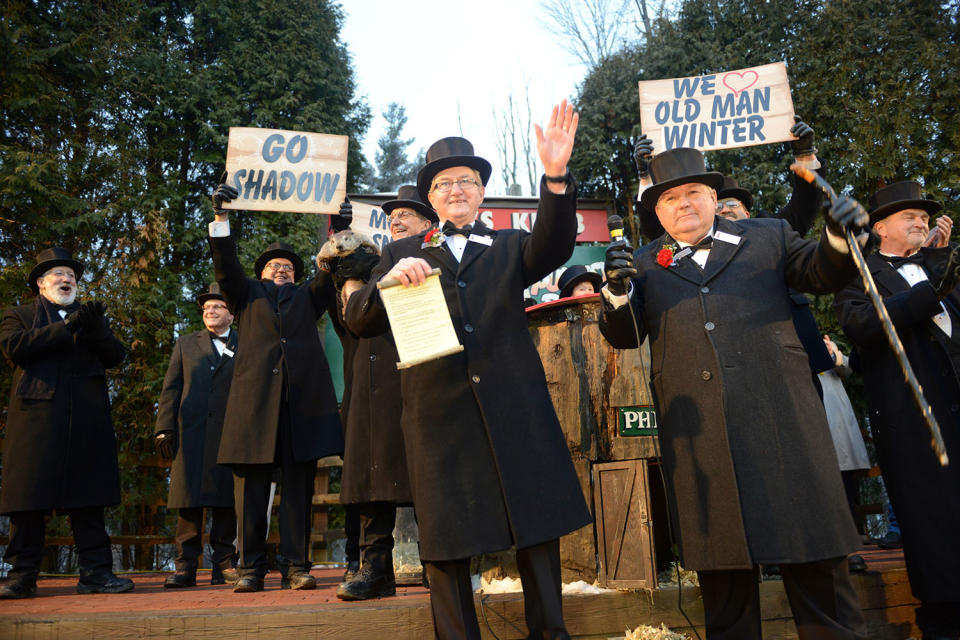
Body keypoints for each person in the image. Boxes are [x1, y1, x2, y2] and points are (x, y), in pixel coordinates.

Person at [344, 101, 592, 640]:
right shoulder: (404, 252)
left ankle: (550, 631)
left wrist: (555, 176)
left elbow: (555, 243)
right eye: (443, 184)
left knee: (535, 523)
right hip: (438, 417)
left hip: (513, 406)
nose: (456, 190)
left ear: (481, 193)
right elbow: (359, 321)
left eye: (467, 181)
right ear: (429, 199)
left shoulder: (509, 246)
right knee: (446, 536)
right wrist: (386, 282)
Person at [600, 148, 869, 640]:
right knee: (725, 597)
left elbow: (820, 272)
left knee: (819, 578)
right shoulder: (643, 264)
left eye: (694, 193)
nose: (684, 204)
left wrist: (837, 234)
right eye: (671, 198)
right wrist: (616, 293)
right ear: (656, 212)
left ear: (713, 197)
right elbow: (624, 334)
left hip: (783, 425)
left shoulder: (767, 236)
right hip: (703, 446)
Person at [834, 180, 960, 640]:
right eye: (910, 217)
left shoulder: (944, 267)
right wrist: (931, 289)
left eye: (926, 219)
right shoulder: (859, 277)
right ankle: (943, 618)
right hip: (913, 420)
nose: (922, 224)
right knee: (934, 519)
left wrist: (940, 266)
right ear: (881, 227)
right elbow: (865, 325)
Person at [206, 181, 345, 593]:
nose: (281, 269)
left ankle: (296, 566)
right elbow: (226, 266)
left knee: (299, 489)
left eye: (287, 267)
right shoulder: (245, 295)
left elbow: (328, 272)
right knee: (250, 489)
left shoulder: (308, 296)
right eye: (273, 266)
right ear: (261, 273)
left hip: (301, 407)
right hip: (255, 408)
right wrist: (221, 218)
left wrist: (338, 229)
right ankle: (250, 568)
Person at [0, 248, 133, 598]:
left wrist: (95, 331)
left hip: (86, 421)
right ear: (41, 284)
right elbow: (15, 347)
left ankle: (96, 573)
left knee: (88, 499)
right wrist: (66, 327)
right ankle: (22, 575)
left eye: (71, 275)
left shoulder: (89, 319)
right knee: (29, 501)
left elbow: (116, 356)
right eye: (58, 274)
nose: (67, 279)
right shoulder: (20, 315)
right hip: (37, 421)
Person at [331, 185, 437, 601]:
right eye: (392, 215)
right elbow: (347, 318)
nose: (396, 219)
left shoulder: (434, 257)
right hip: (369, 389)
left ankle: (438, 565)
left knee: (429, 477)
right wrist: (341, 246)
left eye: (407, 214)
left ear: (429, 224)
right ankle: (375, 570)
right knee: (372, 481)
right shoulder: (371, 266)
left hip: (418, 383)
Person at [154, 283, 240, 587]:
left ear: (231, 313)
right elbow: (171, 389)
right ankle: (185, 567)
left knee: (227, 502)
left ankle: (225, 565)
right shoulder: (186, 344)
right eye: (205, 308)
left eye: (217, 306)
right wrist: (164, 428)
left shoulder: (246, 344)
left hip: (231, 435)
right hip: (191, 435)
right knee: (188, 501)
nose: (210, 311)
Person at [819, 334, 872, 572]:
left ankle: (850, 550)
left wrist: (833, 353)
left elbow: (848, 368)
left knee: (844, 487)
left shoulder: (823, 341)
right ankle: (830, 550)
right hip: (812, 422)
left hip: (836, 421)